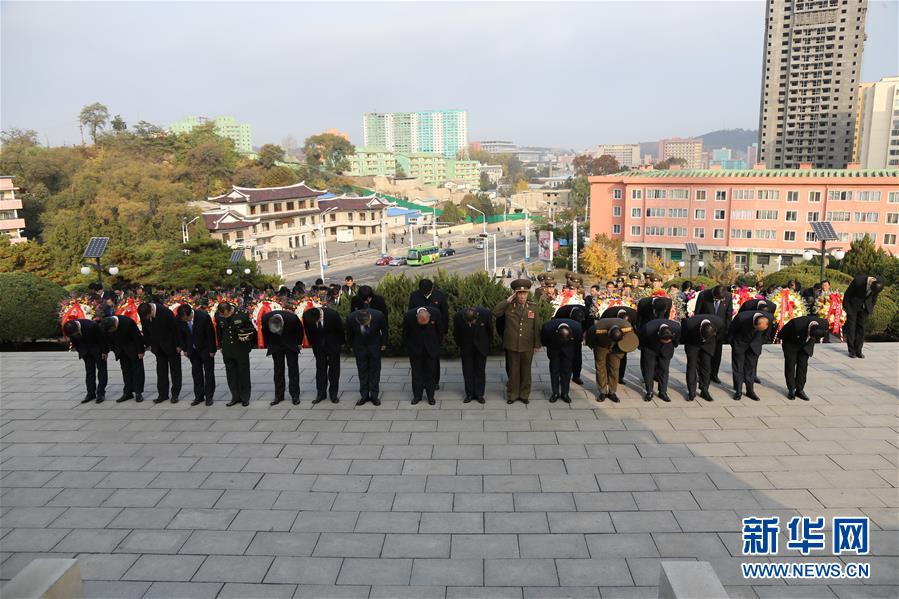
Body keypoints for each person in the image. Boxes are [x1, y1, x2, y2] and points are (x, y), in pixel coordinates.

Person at [493, 279, 542, 405]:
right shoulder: (509, 306)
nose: (522, 296)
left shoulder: (533, 307)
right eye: (519, 293)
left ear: (528, 293)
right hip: (512, 344)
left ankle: (524, 394)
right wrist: (508, 300)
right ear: (515, 294)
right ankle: (512, 395)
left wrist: (537, 344)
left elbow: (536, 327)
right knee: (513, 371)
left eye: (524, 293)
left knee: (526, 371)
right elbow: (495, 312)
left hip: (527, 344)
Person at [137, 301, 183, 404]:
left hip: (171, 345)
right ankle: (162, 394)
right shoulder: (143, 313)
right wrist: (149, 344)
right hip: (157, 347)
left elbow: (175, 330)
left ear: (151, 310)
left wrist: (178, 345)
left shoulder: (165, 312)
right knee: (161, 371)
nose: (146, 318)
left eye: (148, 316)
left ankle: (175, 394)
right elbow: (145, 330)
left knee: (175, 370)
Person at [586, 317, 639, 403]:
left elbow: (630, 341)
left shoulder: (627, 327)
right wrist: (595, 348)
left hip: (617, 347)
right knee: (600, 368)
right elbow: (589, 339)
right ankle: (602, 391)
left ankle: (612, 392)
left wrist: (620, 355)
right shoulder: (598, 327)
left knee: (614, 369)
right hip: (601, 346)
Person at [408, 278, 449, 388]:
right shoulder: (414, 296)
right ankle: (421, 382)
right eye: (424, 292)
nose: (426, 294)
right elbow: (411, 314)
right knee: (419, 360)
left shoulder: (439, 295)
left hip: (434, 333)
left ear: (432, 288)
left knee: (434, 359)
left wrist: (444, 332)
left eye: (428, 292)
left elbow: (445, 314)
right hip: (418, 333)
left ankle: (434, 382)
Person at [215, 302, 256, 407]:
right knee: (231, 375)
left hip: (241, 348)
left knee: (243, 374)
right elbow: (219, 331)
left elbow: (252, 330)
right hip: (228, 349)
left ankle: (245, 397)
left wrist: (246, 336)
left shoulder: (242, 314)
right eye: (222, 315)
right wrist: (220, 346)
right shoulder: (218, 316)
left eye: (226, 314)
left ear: (230, 310)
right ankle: (235, 396)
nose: (224, 317)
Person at [779, 315, 829, 401]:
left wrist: (811, 339)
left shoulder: (824, 324)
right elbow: (781, 334)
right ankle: (791, 389)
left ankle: (800, 389)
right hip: (791, 344)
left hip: (806, 345)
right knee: (790, 366)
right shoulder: (796, 324)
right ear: (809, 330)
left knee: (803, 366)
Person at [176, 304, 216, 407]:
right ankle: (198, 396)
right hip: (192, 350)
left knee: (208, 373)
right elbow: (181, 334)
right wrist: (184, 348)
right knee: (196, 373)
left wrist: (212, 350)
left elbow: (210, 334)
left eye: (186, 318)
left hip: (205, 348)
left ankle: (209, 396)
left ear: (189, 314)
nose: (184, 320)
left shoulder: (203, 317)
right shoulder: (180, 318)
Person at [346, 308, 388, 406]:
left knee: (375, 372)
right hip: (360, 347)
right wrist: (351, 346)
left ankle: (374, 396)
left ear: (370, 318)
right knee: (362, 372)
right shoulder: (351, 318)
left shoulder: (378, 315)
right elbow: (349, 334)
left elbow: (385, 329)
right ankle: (364, 396)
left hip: (375, 346)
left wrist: (384, 343)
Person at [261, 310, 304, 406]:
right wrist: (267, 344)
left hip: (290, 343)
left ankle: (295, 395)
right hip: (276, 344)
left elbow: (300, 330)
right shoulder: (266, 318)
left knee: (293, 369)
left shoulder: (292, 318)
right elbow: (265, 332)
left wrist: (299, 343)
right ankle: (279, 395)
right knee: (278, 370)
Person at [302, 305, 344, 404]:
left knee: (334, 369)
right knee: (320, 369)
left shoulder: (332, 314)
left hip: (333, 345)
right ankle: (321, 393)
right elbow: (308, 332)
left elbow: (340, 331)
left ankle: (333, 394)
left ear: (321, 316)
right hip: (318, 346)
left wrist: (339, 346)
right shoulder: (307, 316)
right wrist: (313, 344)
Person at [100, 315, 145, 403]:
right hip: (120, 349)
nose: (112, 331)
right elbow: (106, 339)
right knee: (125, 370)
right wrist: (106, 351)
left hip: (133, 348)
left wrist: (141, 351)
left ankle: (138, 392)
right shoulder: (105, 324)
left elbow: (137, 336)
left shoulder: (127, 322)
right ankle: (127, 392)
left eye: (113, 329)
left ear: (115, 323)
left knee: (137, 370)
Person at [402, 306, 442, 405]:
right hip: (415, 350)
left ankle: (430, 397)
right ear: (417, 317)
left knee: (431, 374)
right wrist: (411, 348)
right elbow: (405, 334)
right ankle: (417, 396)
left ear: (429, 315)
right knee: (416, 374)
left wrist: (436, 346)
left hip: (431, 349)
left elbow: (440, 331)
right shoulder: (408, 316)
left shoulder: (436, 313)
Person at [453, 307, 493, 404]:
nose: (470, 324)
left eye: (473, 321)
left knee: (480, 371)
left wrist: (487, 345)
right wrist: (461, 345)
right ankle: (469, 394)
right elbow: (456, 334)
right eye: (468, 322)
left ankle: (479, 394)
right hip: (466, 347)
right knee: (467, 371)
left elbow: (490, 331)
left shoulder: (486, 314)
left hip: (481, 347)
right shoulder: (458, 317)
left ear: (477, 316)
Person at [64, 319, 109, 404]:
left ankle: (101, 393)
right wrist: (80, 351)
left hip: (97, 349)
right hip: (85, 351)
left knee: (102, 370)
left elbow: (102, 338)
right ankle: (90, 393)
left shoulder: (92, 325)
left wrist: (105, 351)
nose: (75, 335)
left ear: (77, 327)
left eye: (76, 333)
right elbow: (74, 341)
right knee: (89, 371)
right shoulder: (69, 329)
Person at [729, 311, 771, 401]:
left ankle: (750, 391)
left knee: (750, 369)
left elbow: (766, 334)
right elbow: (731, 331)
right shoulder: (741, 318)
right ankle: (738, 391)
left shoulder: (769, 318)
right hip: (740, 343)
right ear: (754, 324)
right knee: (738, 368)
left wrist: (760, 343)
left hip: (754, 346)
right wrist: (733, 344)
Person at [694, 285, 732, 384]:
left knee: (717, 353)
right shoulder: (703, 295)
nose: (719, 300)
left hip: (719, 331)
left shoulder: (728, 296)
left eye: (721, 299)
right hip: (705, 329)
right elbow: (697, 312)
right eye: (716, 298)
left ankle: (714, 374)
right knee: (702, 353)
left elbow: (728, 315)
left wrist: (727, 330)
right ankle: (701, 374)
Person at [680, 315, 724, 401]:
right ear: (700, 328)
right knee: (691, 367)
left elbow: (720, 336)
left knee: (706, 367)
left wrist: (710, 340)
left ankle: (704, 390)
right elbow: (683, 335)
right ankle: (691, 392)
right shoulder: (689, 323)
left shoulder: (719, 322)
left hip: (708, 345)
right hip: (693, 343)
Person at [540, 318, 582, 404]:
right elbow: (544, 341)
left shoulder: (577, 328)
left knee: (567, 372)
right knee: (554, 371)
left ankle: (565, 393)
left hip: (568, 348)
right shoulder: (548, 327)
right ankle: (555, 393)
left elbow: (578, 342)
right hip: (554, 347)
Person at [638, 319, 681, 402]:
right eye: (663, 340)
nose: (664, 342)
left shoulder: (676, 327)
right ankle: (649, 392)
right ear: (658, 334)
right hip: (650, 348)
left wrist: (671, 344)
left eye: (667, 340)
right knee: (649, 370)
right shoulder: (648, 328)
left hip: (667, 349)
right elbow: (641, 340)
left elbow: (676, 341)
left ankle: (663, 392)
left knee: (664, 370)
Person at [843, 275, 884, 359]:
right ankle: (851, 351)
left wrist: (870, 308)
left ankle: (858, 351)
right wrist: (846, 307)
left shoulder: (879, 283)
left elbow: (874, 297)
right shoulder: (859, 281)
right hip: (853, 307)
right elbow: (848, 293)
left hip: (865, 309)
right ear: (870, 283)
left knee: (861, 329)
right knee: (851, 328)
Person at [600, 306, 638, 385]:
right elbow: (601, 326)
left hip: (625, 335)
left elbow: (634, 328)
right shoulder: (608, 314)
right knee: (608, 356)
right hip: (610, 334)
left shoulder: (634, 314)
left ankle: (620, 377)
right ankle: (607, 376)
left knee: (623, 356)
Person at [553, 305, 588, 385]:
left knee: (577, 355)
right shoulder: (561, 312)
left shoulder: (586, 313)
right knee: (562, 356)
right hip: (563, 335)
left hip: (578, 333)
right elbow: (555, 325)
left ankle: (576, 376)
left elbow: (587, 326)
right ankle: (561, 376)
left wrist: (581, 335)